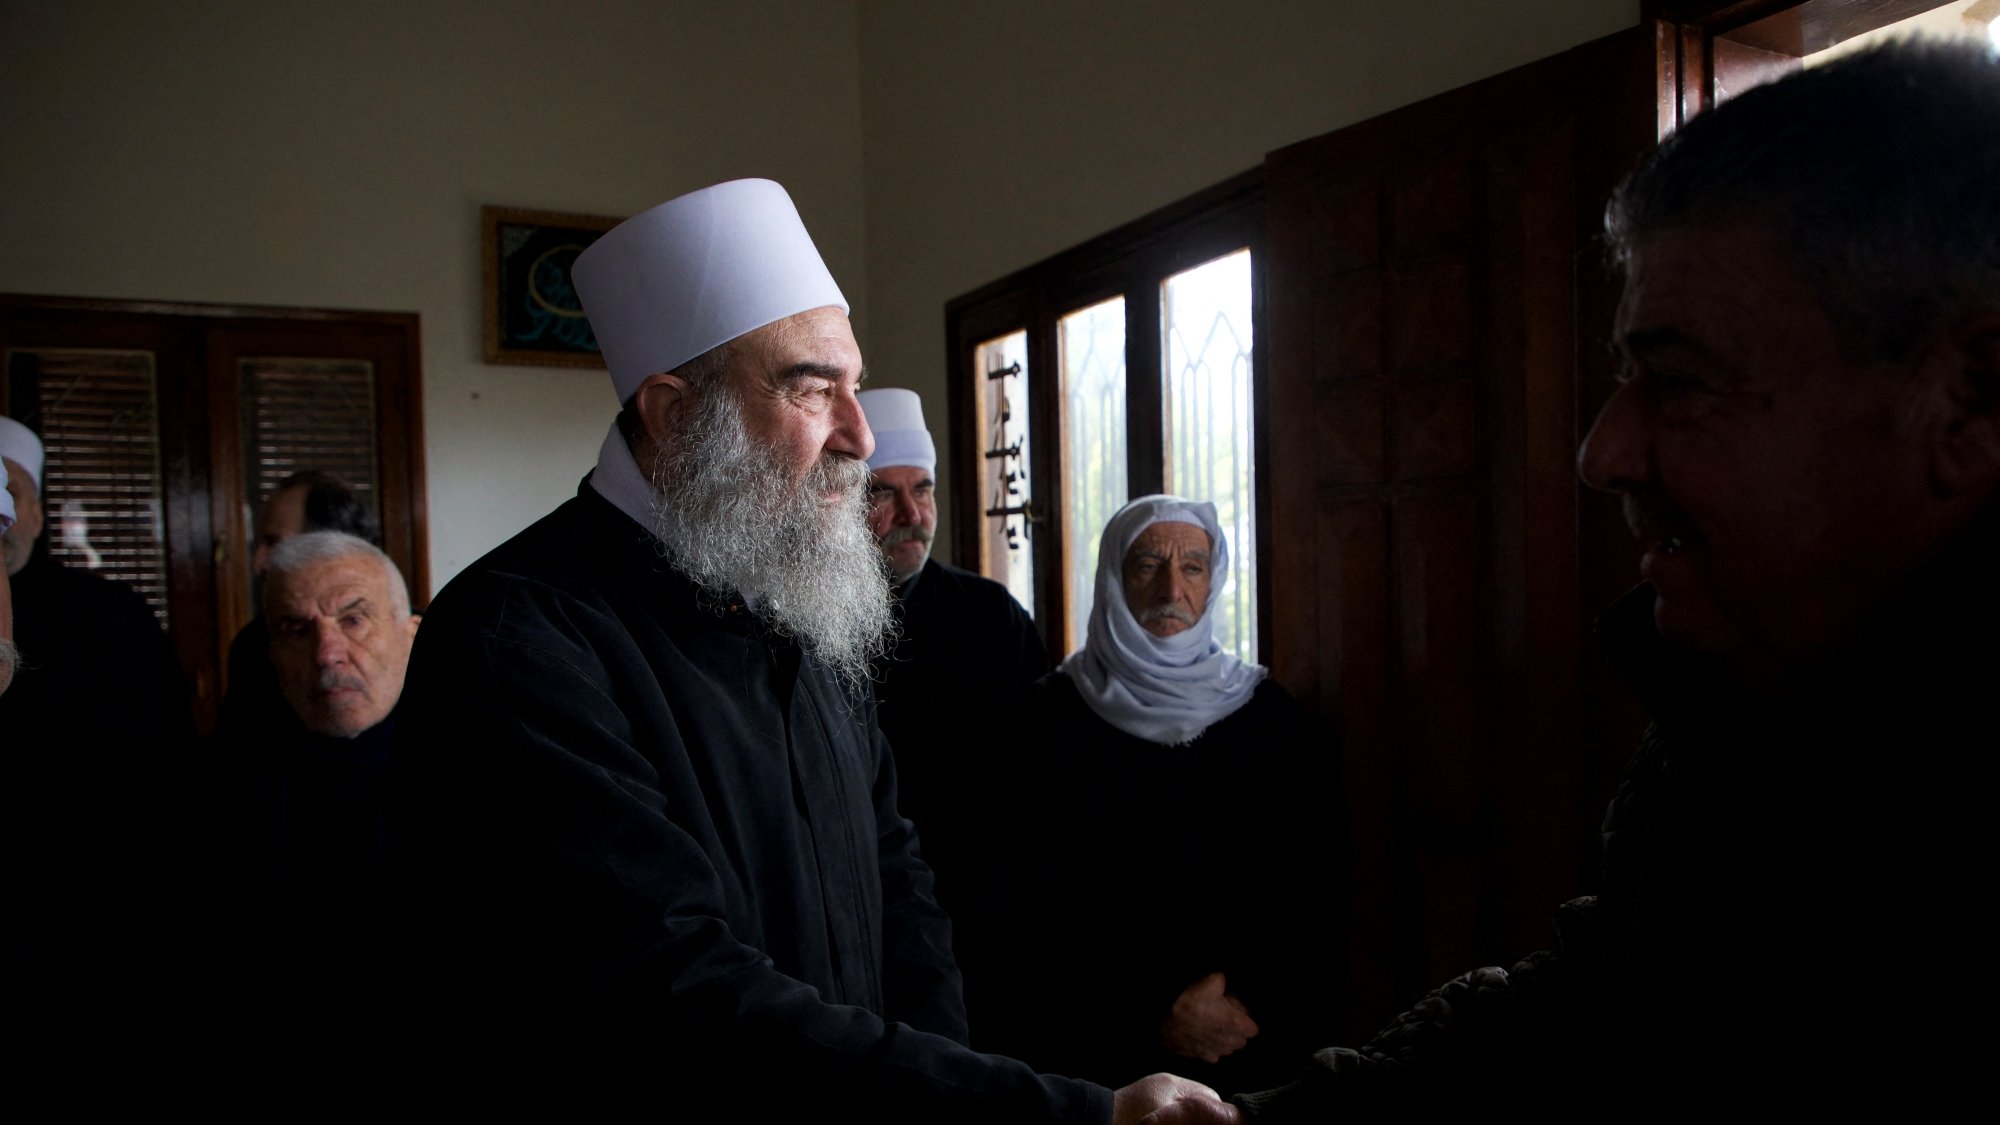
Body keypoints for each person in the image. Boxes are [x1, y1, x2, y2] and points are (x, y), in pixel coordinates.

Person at [1216, 40, 1999, 1120]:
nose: (1601, 451)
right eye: (1623, 375)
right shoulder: (1738, 687)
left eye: (1677, 384)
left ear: (1968, 400)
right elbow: (1606, 1001)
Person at [390, 179, 1237, 1123]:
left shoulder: (791, 584)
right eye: (811, 388)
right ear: (675, 415)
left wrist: (944, 1104)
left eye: (853, 383)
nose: (860, 435)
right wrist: (1060, 1114)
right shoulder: (519, 638)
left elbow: (896, 879)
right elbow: (672, 987)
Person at [1003, 495, 1342, 1095]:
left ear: (1214, 583)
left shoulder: (1267, 716)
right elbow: (1025, 900)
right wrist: (1153, 1010)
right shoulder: (1044, 718)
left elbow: (1310, 886)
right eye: (1147, 564)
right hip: (1092, 1049)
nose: (1170, 587)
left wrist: (1239, 1001)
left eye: (1192, 567)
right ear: (1113, 576)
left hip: (1248, 1039)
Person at [858, 386, 1049, 1038]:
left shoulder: (991, 617)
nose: (912, 512)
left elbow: (1041, 777)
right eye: (882, 492)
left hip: (984, 912)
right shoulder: (796, 617)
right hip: (859, 904)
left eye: (925, 488)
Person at [202, 530, 418, 1025]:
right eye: (298, 630)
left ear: (411, 633)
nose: (327, 654)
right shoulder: (222, 792)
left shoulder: (490, 762)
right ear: (273, 655)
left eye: (354, 619)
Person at [217, 470, 381, 740]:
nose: (258, 563)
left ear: (330, 544)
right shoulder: (254, 645)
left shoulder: (430, 643)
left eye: (274, 543)